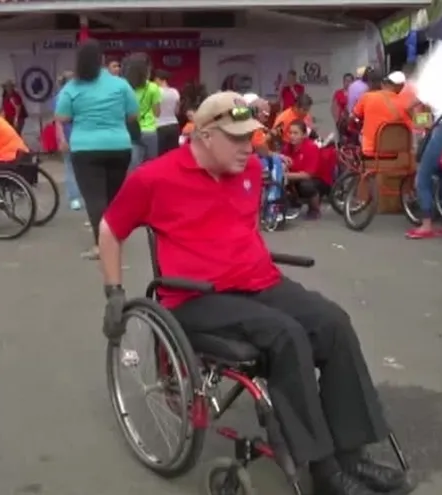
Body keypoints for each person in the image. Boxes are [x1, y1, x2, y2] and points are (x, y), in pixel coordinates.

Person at [97, 91, 410, 495]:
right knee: (286, 336)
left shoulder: (249, 173)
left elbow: (238, 231)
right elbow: (110, 229)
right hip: (197, 298)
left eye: (252, 137)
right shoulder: (153, 178)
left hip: (259, 282)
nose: (250, 147)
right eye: (238, 139)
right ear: (206, 136)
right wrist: (113, 291)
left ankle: (351, 455)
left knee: (334, 323)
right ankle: (325, 469)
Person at [55, 40, 139, 260]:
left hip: (86, 148)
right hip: (119, 146)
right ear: (102, 60)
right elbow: (132, 114)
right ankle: (114, 238)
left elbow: (62, 117)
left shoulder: (72, 88)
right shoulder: (120, 85)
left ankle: (102, 246)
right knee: (112, 197)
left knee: (95, 199)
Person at [351, 71, 412, 157]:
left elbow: (353, 117)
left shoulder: (366, 97)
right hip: (398, 156)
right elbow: (421, 123)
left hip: (370, 154)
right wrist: (425, 111)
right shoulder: (403, 102)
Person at [284, 120, 330, 220]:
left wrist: (286, 175)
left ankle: (315, 209)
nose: (292, 136)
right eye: (290, 133)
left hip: (318, 180)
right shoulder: (288, 147)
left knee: (306, 185)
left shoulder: (311, 148)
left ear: (304, 135)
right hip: (297, 176)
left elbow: (308, 175)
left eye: (296, 133)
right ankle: (293, 204)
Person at [123, 53, 162, 169]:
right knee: (151, 166)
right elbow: (157, 113)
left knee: (133, 165)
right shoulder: (153, 88)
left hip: (130, 130)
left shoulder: (124, 87)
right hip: (149, 130)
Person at [53, 71, 81, 211]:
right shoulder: (62, 96)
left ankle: (76, 197)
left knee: (73, 167)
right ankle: (74, 197)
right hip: (71, 135)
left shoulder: (68, 95)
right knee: (72, 167)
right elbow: (58, 121)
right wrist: (62, 139)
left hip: (77, 135)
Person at [154, 69, 181, 155]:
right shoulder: (175, 91)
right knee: (173, 154)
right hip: (174, 125)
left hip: (160, 126)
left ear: (158, 79)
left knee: (161, 155)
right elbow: (177, 111)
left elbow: (155, 112)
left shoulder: (156, 92)